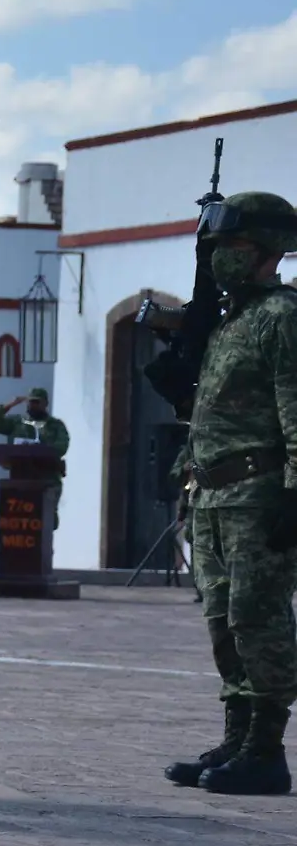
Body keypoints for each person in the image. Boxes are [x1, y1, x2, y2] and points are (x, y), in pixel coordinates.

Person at [162, 191, 297, 796]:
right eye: (215, 247)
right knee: (223, 621)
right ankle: (237, 738)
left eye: (233, 246)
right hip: (214, 494)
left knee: (257, 617)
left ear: (269, 250)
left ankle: (267, 750)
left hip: (259, 493)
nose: (221, 258)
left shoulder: (281, 316)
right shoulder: (231, 317)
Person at [0, 386, 70, 527]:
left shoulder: (55, 425)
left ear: (45, 404)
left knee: (46, 521)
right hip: (21, 477)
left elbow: (62, 446)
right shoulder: (18, 422)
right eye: (30, 402)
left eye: (37, 402)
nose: (33, 405)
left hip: (47, 478)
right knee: (19, 520)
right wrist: (11, 405)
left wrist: (42, 450)